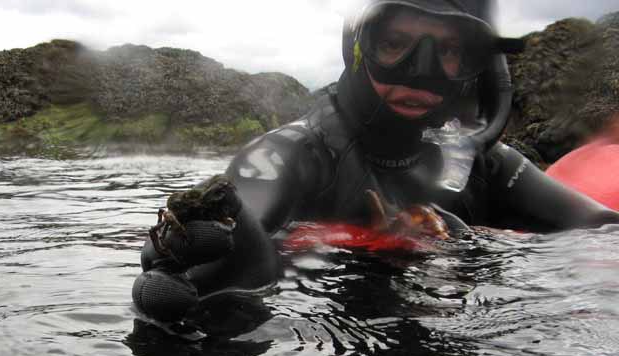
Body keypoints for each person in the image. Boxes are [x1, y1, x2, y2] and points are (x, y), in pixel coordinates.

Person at [133, 0, 619, 322]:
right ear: (358, 48)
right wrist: (234, 254)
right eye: (395, 44)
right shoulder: (293, 155)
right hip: (327, 351)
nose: (422, 71)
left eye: (450, 51)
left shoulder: (487, 165)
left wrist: (467, 243)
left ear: (479, 66)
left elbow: (606, 230)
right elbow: (245, 212)